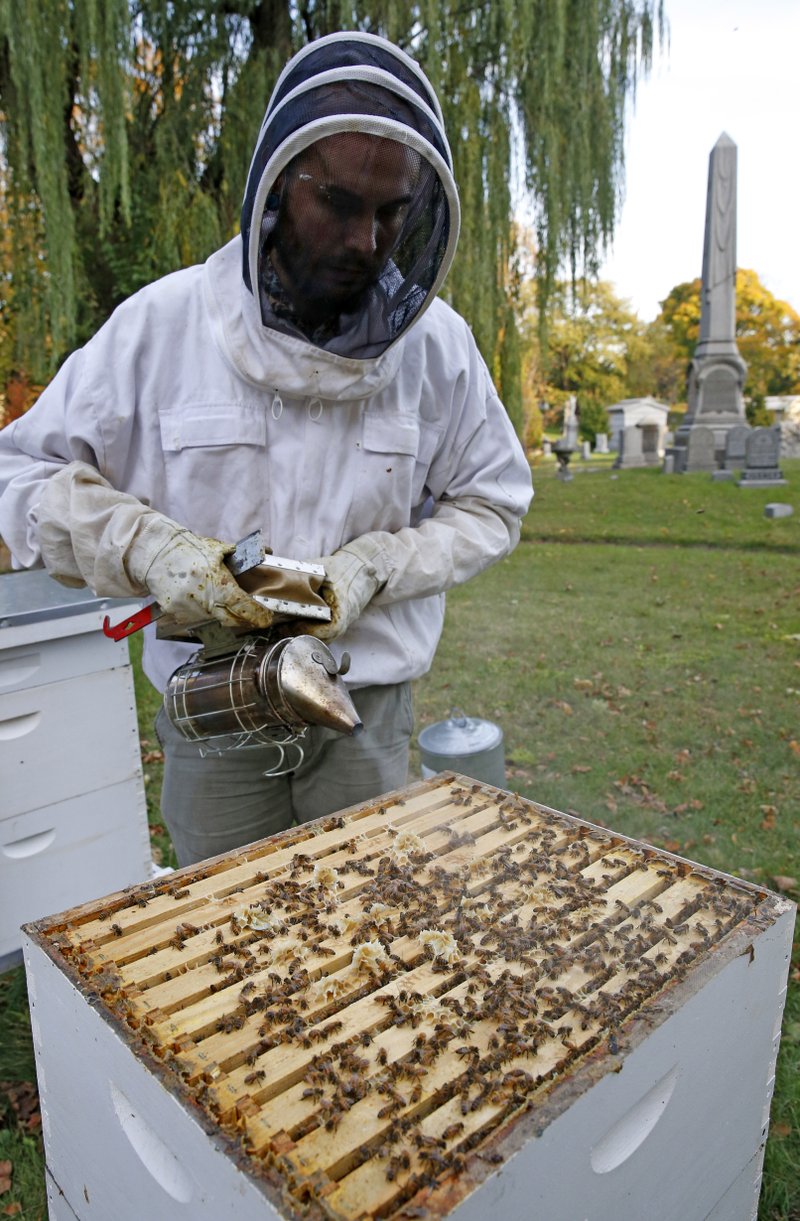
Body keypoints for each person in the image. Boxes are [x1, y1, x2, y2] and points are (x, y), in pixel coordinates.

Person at [0, 32, 533, 865]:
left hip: (363, 706)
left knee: (361, 931)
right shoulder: (160, 327)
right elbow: (22, 473)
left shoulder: (439, 349)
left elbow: (494, 502)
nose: (368, 241)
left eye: (393, 213)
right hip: (214, 709)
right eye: (341, 204)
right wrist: (148, 546)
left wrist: (379, 563)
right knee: (220, 937)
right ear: (277, 188)